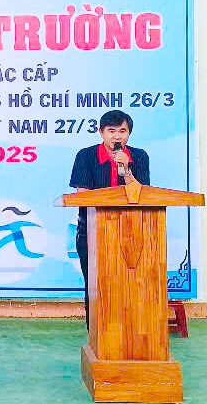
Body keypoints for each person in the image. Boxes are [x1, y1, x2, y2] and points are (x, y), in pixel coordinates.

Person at [69, 110, 150, 328]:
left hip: (130, 231)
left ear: (129, 134)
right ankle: (96, 334)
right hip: (92, 230)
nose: (117, 136)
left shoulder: (139, 156)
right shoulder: (86, 156)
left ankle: (129, 332)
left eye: (122, 131)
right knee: (95, 285)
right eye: (111, 131)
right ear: (101, 132)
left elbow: (143, 195)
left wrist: (127, 170)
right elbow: (83, 195)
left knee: (129, 284)